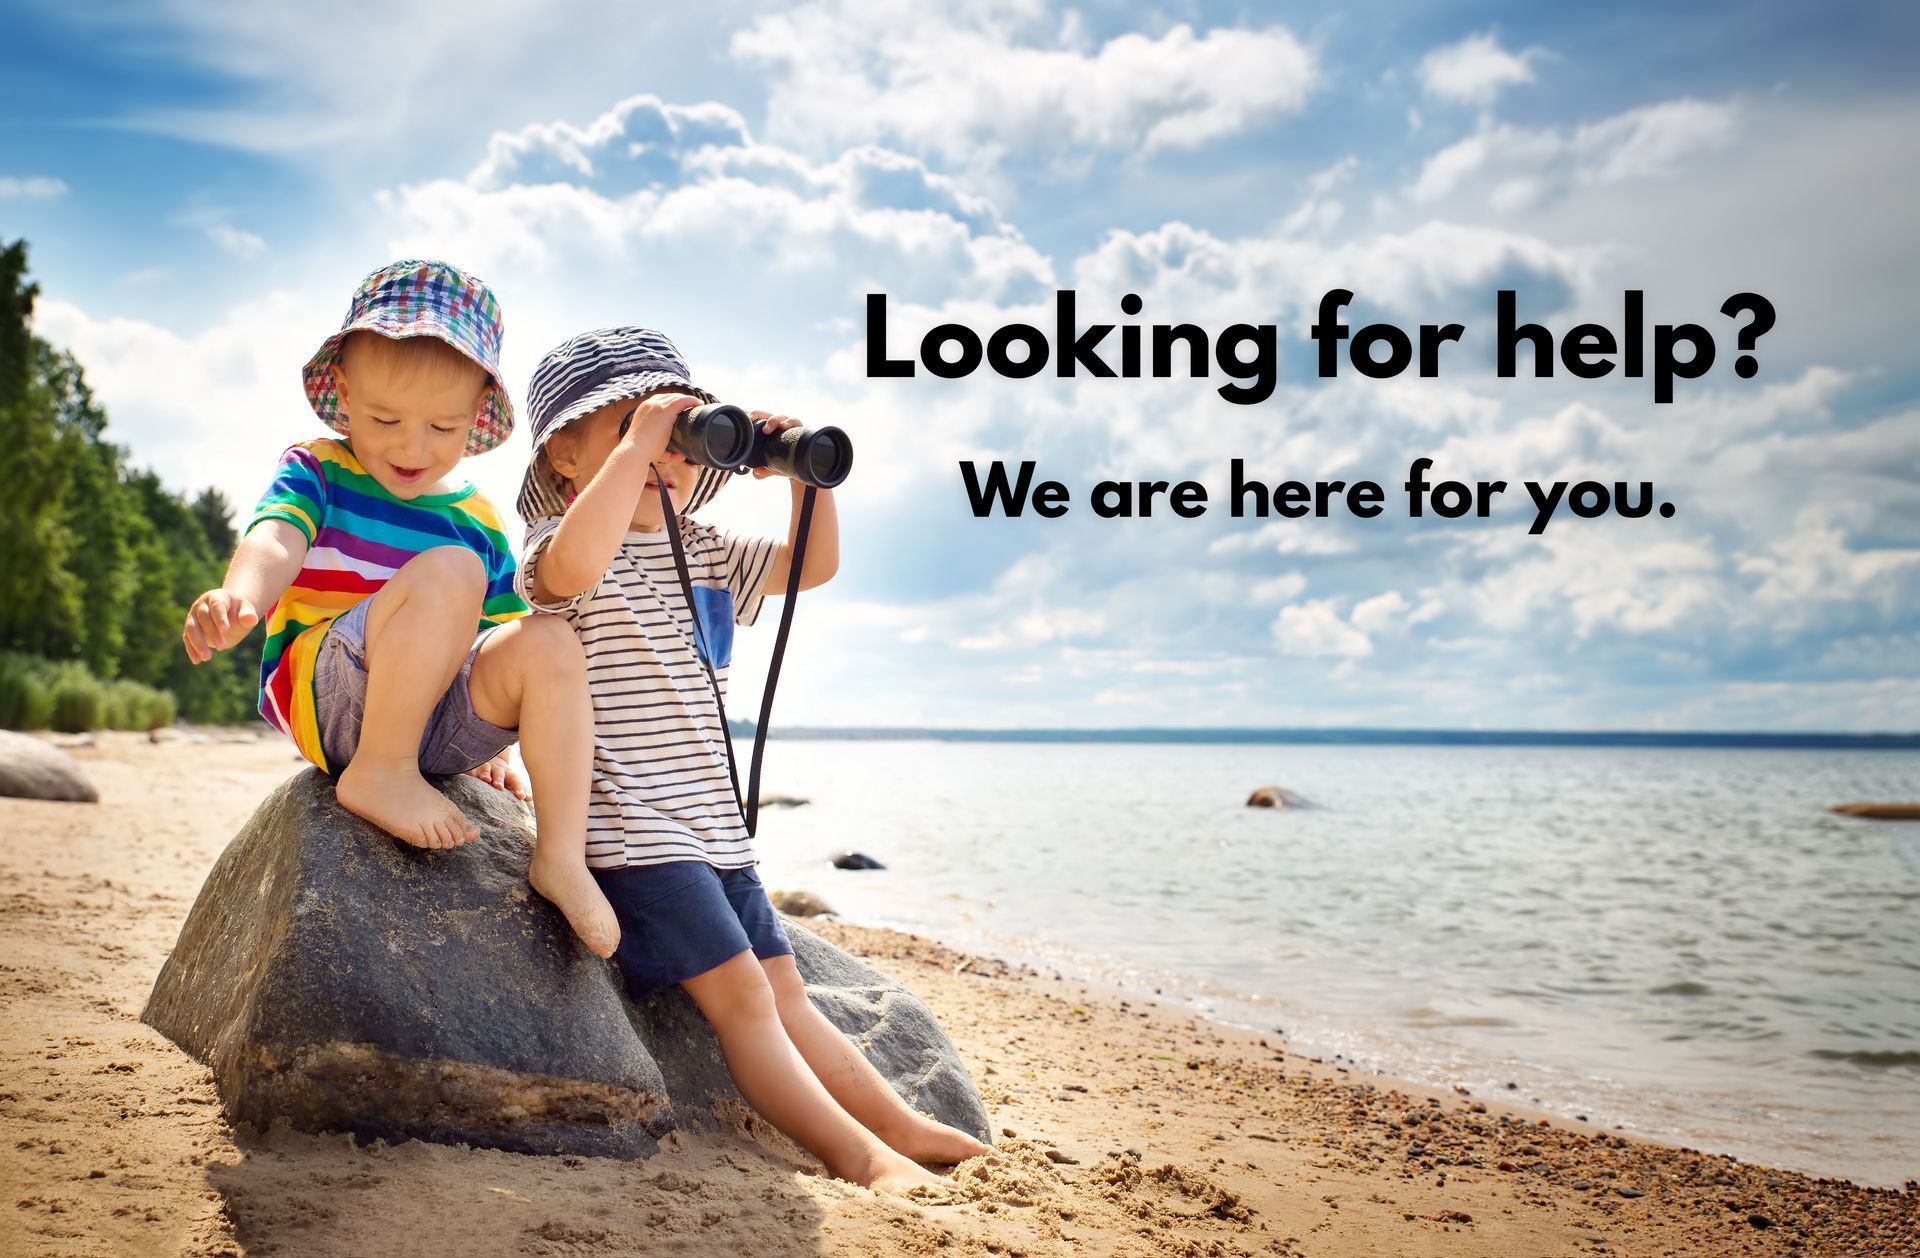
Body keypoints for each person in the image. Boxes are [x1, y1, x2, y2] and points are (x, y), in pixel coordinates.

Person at [515, 326, 991, 1194]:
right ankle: (858, 1156)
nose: (661, 452)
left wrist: (802, 477)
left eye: (678, 438)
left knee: (789, 996)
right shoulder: (557, 546)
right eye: (624, 427)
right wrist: (638, 446)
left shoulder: (707, 552)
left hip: (714, 830)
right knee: (741, 1002)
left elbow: (814, 564)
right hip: (635, 834)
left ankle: (895, 1123)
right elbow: (572, 567)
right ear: (564, 455)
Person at [178, 259, 618, 958]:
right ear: (345, 395)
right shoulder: (321, 467)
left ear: (476, 417)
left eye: (442, 427)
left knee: (549, 639)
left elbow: (497, 640)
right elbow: (277, 536)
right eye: (386, 418)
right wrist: (242, 597)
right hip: (337, 692)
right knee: (452, 572)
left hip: (431, 719)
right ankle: (381, 771)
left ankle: (561, 852)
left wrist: (490, 743)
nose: (412, 447)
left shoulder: (474, 513)